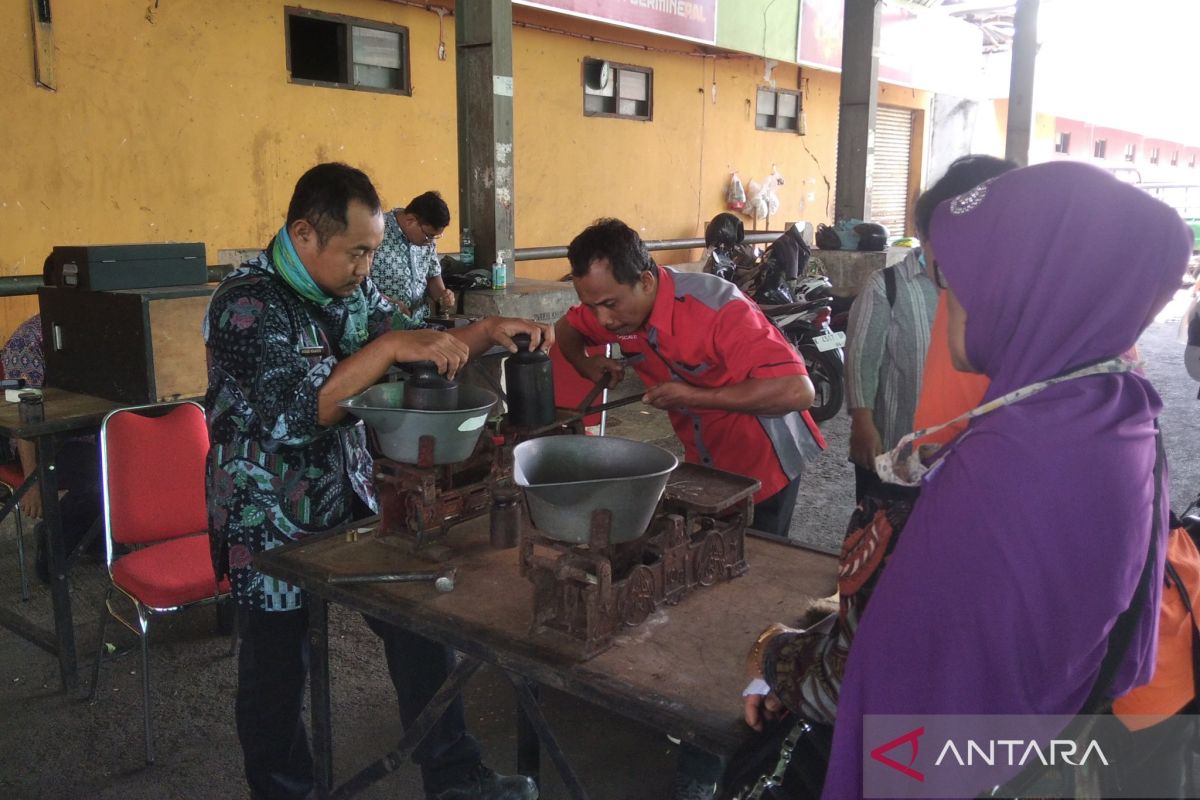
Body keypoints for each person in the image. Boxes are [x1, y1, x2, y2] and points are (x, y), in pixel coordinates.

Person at [816, 162, 1190, 797]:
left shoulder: (1018, 458)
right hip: (1036, 733)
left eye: (960, 285)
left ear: (1025, 291)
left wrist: (794, 666)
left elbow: (920, 668)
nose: (949, 304)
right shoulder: (1111, 402)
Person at [205, 162, 544, 800]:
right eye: (357, 252)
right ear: (305, 234)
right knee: (278, 673)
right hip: (267, 517)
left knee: (416, 627)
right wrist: (386, 354)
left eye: (372, 251)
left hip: (351, 495)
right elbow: (295, 414)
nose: (367, 266)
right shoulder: (247, 304)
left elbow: (404, 337)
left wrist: (485, 332)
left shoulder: (349, 291)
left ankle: (455, 777)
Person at [553, 218, 824, 800]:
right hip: (705, 465)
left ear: (647, 277)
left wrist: (696, 397)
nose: (603, 320)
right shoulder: (605, 308)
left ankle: (735, 756)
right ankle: (701, 726)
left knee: (748, 604)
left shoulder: (717, 306)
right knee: (702, 587)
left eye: (611, 305)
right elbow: (566, 330)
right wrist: (590, 365)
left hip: (765, 463)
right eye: (592, 305)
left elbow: (799, 391)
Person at [846, 155, 1017, 502]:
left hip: (968, 473)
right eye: (929, 235)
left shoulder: (1013, 302)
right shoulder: (889, 286)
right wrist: (862, 421)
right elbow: (862, 358)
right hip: (907, 452)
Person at [1, 314, 102, 583]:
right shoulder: (27, 341)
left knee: (130, 466)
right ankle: (55, 540)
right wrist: (33, 482)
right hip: (42, 442)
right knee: (101, 474)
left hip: (89, 433)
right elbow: (23, 417)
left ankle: (93, 536)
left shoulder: (96, 328)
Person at [371, 190, 457, 324]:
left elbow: (432, 277)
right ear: (410, 220)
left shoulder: (427, 241)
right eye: (428, 235)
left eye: (435, 237)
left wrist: (444, 297)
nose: (430, 241)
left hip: (419, 323)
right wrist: (387, 303)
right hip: (383, 326)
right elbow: (359, 284)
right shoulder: (376, 230)